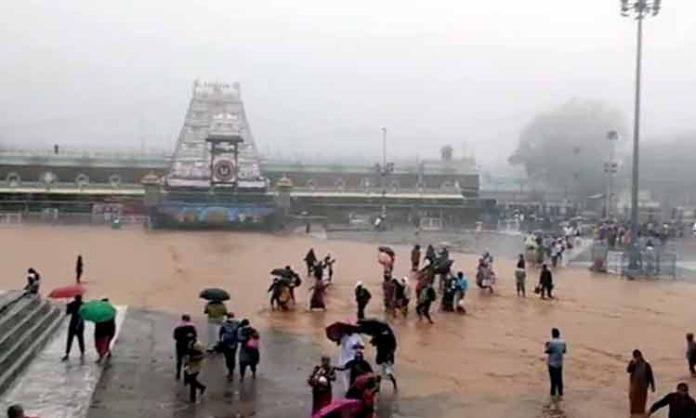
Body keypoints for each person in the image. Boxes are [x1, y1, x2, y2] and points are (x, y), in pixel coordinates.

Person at [628, 349, 656, 415]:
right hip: (634, 387)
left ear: (641, 356)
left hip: (643, 387)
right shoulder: (632, 363)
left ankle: (641, 414)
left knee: (642, 402)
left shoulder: (646, 365)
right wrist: (633, 364)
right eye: (635, 356)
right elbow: (628, 370)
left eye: (638, 356)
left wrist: (653, 386)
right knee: (633, 402)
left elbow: (650, 375)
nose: (637, 358)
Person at [173, 314, 197, 380]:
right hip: (188, 346)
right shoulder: (192, 327)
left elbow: (175, 337)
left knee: (179, 360)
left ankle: (178, 374)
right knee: (187, 361)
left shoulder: (178, 327)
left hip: (179, 345)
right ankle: (186, 375)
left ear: (182, 319)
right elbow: (195, 337)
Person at [545, 328, 567, 400]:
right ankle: (560, 395)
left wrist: (546, 345)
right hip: (559, 363)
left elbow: (547, 351)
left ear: (552, 334)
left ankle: (553, 397)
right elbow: (564, 351)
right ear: (559, 334)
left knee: (553, 381)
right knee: (560, 380)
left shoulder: (551, 342)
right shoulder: (563, 342)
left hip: (552, 364)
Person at [61, 294, 85, 361]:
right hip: (80, 324)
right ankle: (82, 352)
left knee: (69, 339)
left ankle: (67, 353)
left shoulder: (72, 304)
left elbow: (67, 312)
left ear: (75, 298)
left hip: (73, 324)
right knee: (81, 339)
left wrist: (67, 306)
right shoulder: (83, 305)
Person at [219, 313, 240, 381]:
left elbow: (221, 333)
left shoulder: (224, 324)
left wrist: (221, 341)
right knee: (232, 357)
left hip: (226, 344)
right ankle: (231, 372)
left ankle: (230, 371)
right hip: (234, 344)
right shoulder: (237, 323)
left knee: (228, 358)